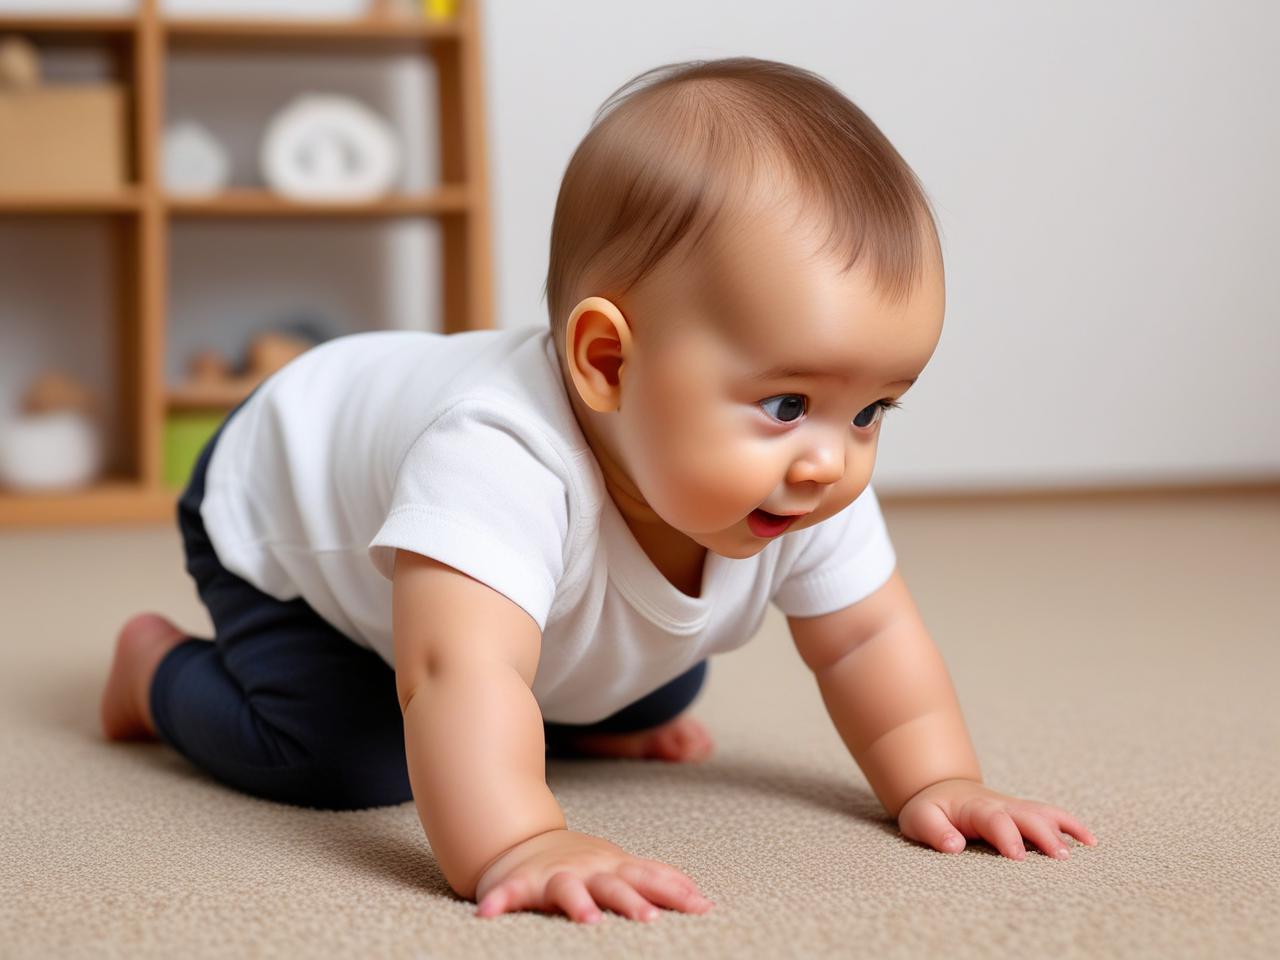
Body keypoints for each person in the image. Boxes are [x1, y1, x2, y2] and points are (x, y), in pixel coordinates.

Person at [100, 57, 1096, 925]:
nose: (830, 461)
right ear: (606, 363)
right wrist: (518, 841)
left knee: (664, 670)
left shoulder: (802, 475)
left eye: (873, 410)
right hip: (278, 507)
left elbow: (867, 639)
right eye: (786, 401)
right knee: (355, 757)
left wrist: (940, 779)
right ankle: (153, 674)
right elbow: (456, 677)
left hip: (490, 568)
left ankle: (580, 690)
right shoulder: (496, 458)